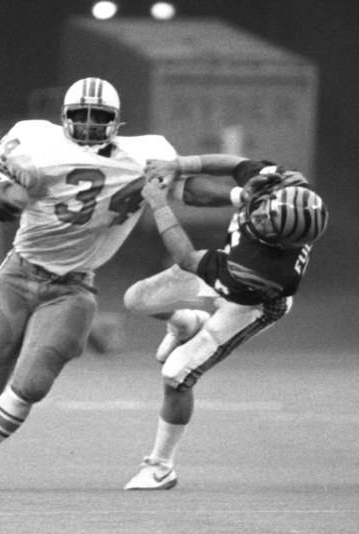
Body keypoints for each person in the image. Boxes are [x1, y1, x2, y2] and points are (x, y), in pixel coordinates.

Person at [0, 78, 235, 490]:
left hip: (73, 287)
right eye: (82, 115)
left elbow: (190, 190)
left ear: (118, 121)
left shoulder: (144, 154)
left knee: (32, 384)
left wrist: (239, 196)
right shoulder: (34, 143)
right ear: (65, 117)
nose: (91, 123)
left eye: (101, 116)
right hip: (18, 273)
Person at [122, 154, 329, 490]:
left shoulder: (263, 268)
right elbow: (237, 164)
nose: (258, 217)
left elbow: (187, 259)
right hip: (226, 267)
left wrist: (158, 204)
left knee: (176, 374)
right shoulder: (287, 184)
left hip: (251, 302)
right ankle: (186, 324)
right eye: (264, 210)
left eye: (266, 225)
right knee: (138, 299)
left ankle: (160, 466)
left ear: (280, 242)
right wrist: (179, 164)